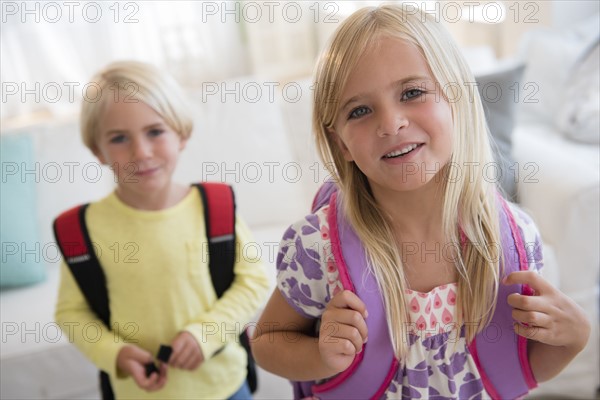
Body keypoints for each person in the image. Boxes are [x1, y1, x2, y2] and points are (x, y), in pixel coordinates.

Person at [251, 5, 590, 399]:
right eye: (359, 110)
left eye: (412, 93)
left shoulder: (514, 239)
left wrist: (573, 340)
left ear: (457, 100)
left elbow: (516, 374)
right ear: (341, 142)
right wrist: (322, 356)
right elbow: (268, 341)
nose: (391, 123)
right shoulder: (317, 247)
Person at [54, 61, 270, 399]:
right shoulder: (82, 229)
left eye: (155, 131)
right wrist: (116, 354)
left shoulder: (215, 207)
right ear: (98, 151)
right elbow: (71, 312)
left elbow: (253, 280)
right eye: (119, 138)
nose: (141, 152)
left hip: (225, 386)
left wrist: (206, 333)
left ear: (181, 134)